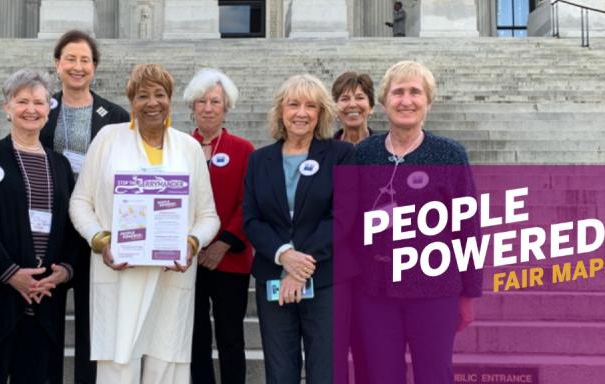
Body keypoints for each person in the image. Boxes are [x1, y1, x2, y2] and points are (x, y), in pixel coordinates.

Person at [69, 63, 220, 384]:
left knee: (167, 365)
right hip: (120, 270)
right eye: (142, 96)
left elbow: (208, 217)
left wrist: (192, 243)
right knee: (118, 365)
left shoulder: (189, 148)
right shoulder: (108, 139)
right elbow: (80, 203)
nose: (152, 103)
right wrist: (101, 240)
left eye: (159, 94)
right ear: (131, 102)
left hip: (171, 275)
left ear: (170, 99)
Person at [352, 60, 482, 383]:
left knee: (435, 374)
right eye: (397, 92)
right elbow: (349, 225)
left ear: (428, 101)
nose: (406, 100)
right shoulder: (363, 154)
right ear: (383, 102)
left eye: (415, 92)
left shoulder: (449, 155)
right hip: (375, 293)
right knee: (382, 375)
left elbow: (469, 229)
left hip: (435, 292)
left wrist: (469, 294)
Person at [0, 68, 79, 383]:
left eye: (39, 102)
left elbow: (71, 225)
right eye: (22, 101)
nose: (31, 109)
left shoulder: (60, 164)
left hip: (45, 298)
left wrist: (65, 270)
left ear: (49, 110)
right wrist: (11, 273)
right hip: (0, 298)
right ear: (7, 107)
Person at [242, 74, 355, 384]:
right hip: (273, 277)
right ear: (281, 110)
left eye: (310, 106)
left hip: (327, 278)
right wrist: (284, 256)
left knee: (326, 371)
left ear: (321, 113)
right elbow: (251, 219)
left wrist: (299, 265)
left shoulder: (341, 155)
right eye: (293, 104)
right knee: (280, 372)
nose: (301, 113)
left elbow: (343, 217)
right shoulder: (258, 160)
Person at [39, 29, 130, 384]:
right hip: (51, 230)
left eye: (85, 60)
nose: (78, 67)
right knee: (46, 325)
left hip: (98, 229)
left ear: (95, 68)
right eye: (70, 59)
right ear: (57, 64)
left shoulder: (117, 116)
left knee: (95, 328)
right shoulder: (40, 109)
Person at [184, 68, 255, 384]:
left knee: (230, 337)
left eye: (215, 101)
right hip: (188, 259)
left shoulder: (243, 149)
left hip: (231, 259)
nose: (208, 108)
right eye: (202, 101)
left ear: (226, 107)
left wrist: (223, 244)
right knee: (195, 337)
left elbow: (249, 202)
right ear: (192, 107)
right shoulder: (180, 146)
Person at [331, 71, 377, 145]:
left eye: (359, 98)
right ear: (335, 108)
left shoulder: (384, 148)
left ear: (371, 107)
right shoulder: (326, 151)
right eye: (345, 99)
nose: (352, 104)